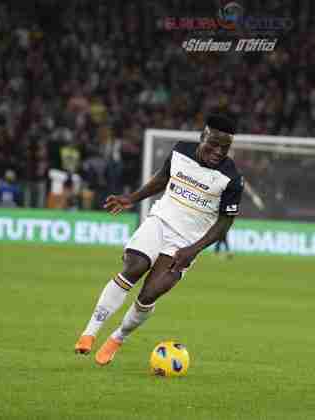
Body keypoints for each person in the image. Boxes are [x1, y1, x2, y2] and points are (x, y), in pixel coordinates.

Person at [74, 114, 244, 366]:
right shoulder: (181, 150)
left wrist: (194, 250)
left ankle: (118, 338)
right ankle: (89, 332)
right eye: (214, 144)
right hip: (160, 222)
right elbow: (163, 179)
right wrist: (131, 199)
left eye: (225, 147)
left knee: (149, 294)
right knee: (135, 266)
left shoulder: (231, 178)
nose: (218, 151)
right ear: (202, 137)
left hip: (186, 242)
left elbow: (225, 222)